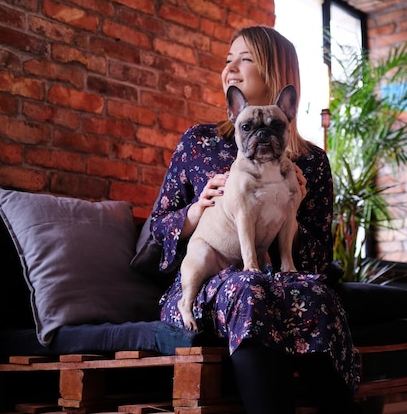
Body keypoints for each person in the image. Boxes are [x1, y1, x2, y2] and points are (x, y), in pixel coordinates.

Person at [150, 25, 360, 414]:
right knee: (251, 290)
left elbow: (314, 258)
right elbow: (155, 229)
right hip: (211, 279)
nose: (230, 68)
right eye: (227, 60)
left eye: (244, 59)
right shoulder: (199, 143)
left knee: (311, 295)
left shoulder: (311, 163)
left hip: (277, 280)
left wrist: (294, 204)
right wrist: (196, 211)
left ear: (277, 76)